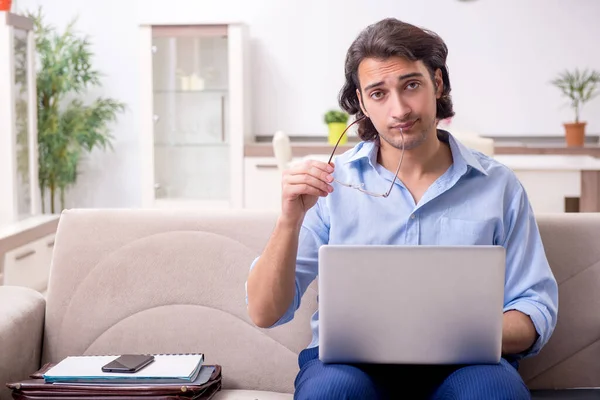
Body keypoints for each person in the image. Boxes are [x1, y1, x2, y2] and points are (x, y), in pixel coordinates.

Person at [245, 17, 558, 400]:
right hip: (349, 366)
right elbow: (264, 312)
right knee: (331, 393)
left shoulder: (498, 185)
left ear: (437, 84)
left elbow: (533, 307)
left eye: (411, 85)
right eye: (378, 93)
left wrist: (458, 332)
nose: (399, 110)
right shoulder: (331, 185)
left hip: (468, 364)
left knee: (494, 394)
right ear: (361, 101)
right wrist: (289, 221)